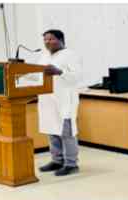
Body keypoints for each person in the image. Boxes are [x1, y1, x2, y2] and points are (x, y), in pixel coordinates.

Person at [35, 29, 83, 176]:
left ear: (61, 40)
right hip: (47, 100)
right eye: (45, 40)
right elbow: (37, 75)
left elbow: (77, 77)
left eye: (51, 39)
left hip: (64, 101)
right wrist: (19, 72)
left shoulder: (70, 55)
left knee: (66, 132)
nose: (47, 42)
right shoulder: (44, 56)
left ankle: (71, 163)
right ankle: (57, 160)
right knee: (52, 131)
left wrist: (59, 72)